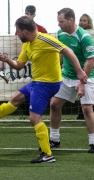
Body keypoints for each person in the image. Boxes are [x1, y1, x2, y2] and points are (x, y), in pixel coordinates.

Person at [0, 16, 88, 163]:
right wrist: (7, 60)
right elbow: (19, 65)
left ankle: (47, 154)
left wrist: (80, 72)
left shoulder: (45, 40)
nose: (16, 34)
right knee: (15, 99)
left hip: (47, 84)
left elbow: (68, 51)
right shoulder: (27, 44)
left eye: (17, 31)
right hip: (37, 82)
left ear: (25, 31)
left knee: (34, 117)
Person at [49, 8, 94, 153]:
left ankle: (93, 142)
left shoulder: (84, 37)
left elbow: (90, 60)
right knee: (54, 105)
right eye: (58, 21)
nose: (59, 24)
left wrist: (82, 82)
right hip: (67, 76)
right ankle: (54, 140)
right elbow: (61, 54)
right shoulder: (60, 33)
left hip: (87, 76)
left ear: (71, 20)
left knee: (87, 109)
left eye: (61, 21)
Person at [17, 5, 48, 119]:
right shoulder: (19, 29)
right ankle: (26, 112)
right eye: (27, 13)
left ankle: (37, 112)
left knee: (38, 87)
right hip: (24, 60)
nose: (29, 15)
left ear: (34, 14)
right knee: (24, 85)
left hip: (39, 63)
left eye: (31, 13)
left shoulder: (41, 29)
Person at [76, 13, 94, 120]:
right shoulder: (77, 34)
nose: (82, 22)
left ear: (89, 23)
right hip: (83, 65)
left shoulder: (90, 36)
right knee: (83, 91)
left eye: (84, 20)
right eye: (81, 20)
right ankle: (81, 114)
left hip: (91, 65)